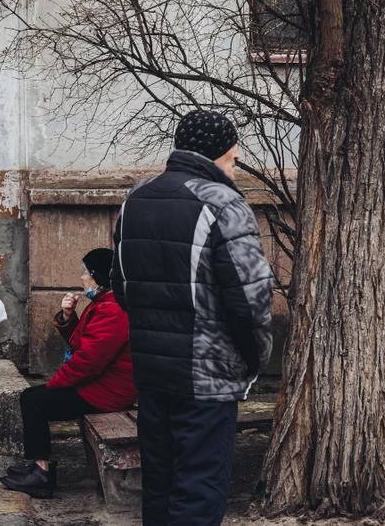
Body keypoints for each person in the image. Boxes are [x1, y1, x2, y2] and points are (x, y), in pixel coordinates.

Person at [111, 110, 274, 526]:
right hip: (206, 378)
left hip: (151, 374)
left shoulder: (135, 200)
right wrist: (255, 360)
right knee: (199, 491)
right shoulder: (223, 205)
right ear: (218, 155)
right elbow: (250, 301)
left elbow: (122, 287)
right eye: (234, 160)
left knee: (160, 489)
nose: (235, 169)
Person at [0, 248, 137, 499]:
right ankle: (38, 468)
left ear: (97, 277)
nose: (82, 277)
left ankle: (41, 475)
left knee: (34, 400)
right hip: (103, 386)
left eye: (85, 272)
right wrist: (67, 316)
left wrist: (57, 384)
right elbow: (83, 345)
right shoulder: (106, 303)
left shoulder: (112, 309)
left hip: (108, 392)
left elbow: (88, 361)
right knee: (34, 397)